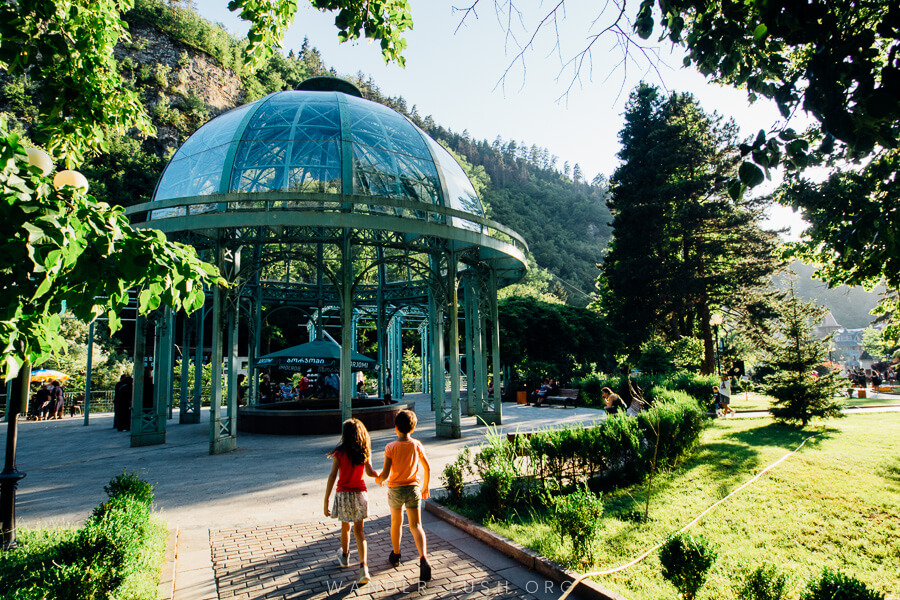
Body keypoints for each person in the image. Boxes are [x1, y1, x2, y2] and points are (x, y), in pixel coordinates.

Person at [375, 409, 433, 585]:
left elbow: (385, 473)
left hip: (395, 490)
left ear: (395, 428)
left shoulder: (390, 447)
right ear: (413, 428)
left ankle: (397, 554)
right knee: (416, 525)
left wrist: (379, 479)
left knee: (396, 523)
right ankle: (423, 558)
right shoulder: (416, 445)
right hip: (413, 489)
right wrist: (425, 486)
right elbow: (427, 467)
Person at [323, 418, 378, 586]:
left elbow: (332, 476)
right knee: (360, 533)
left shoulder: (339, 453)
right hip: (360, 494)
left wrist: (326, 500)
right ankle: (364, 568)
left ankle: (345, 556)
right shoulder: (364, 451)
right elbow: (370, 472)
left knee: (345, 527)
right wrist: (380, 476)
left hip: (343, 494)